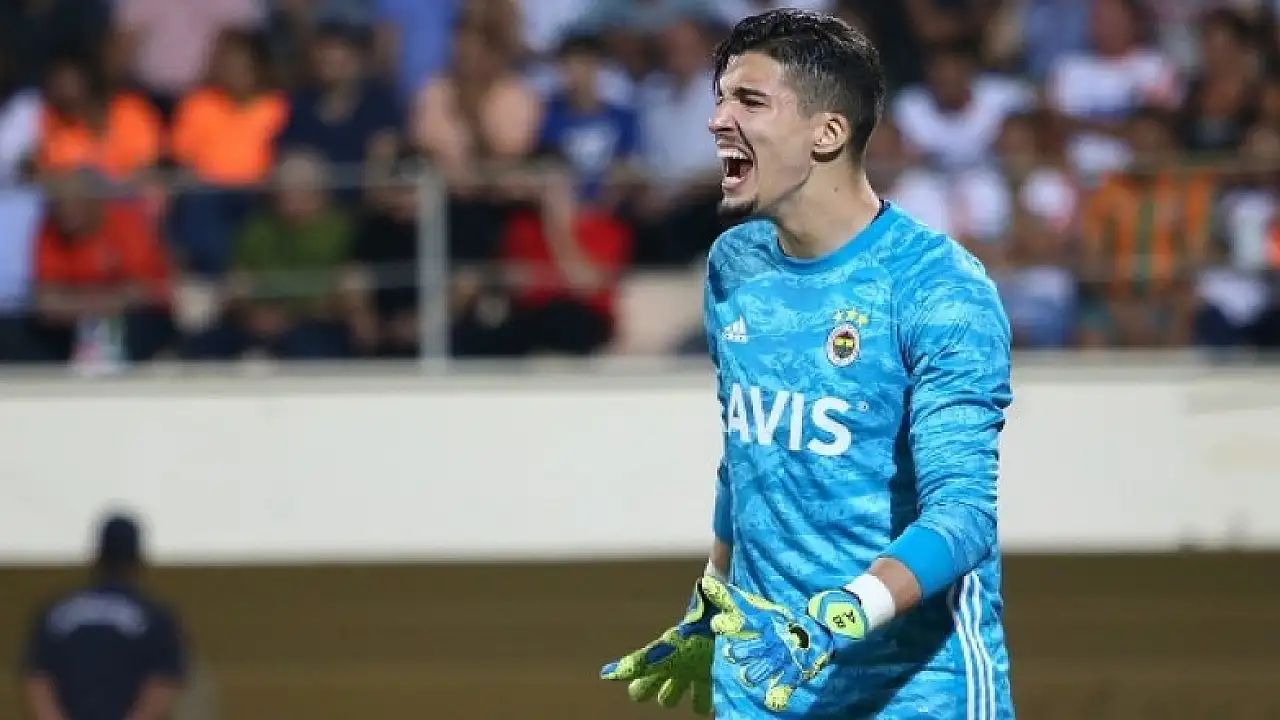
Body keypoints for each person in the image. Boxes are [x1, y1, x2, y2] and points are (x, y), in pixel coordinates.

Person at [601, 9, 1014, 719]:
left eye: (750, 101)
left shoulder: (938, 289)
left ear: (828, 133)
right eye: (721, 99)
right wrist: (710, 605)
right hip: (765, 682)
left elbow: (962, 517)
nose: (717, 120)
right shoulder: (735, 265)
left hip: (915, 691)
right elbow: (747, 461)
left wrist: (838, 617)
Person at [22, 513, 186, 720]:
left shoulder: (56, 611)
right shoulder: (154, 614)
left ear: (98, 555)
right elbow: (162, 684)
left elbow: (38, 680)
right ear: (137, 558)